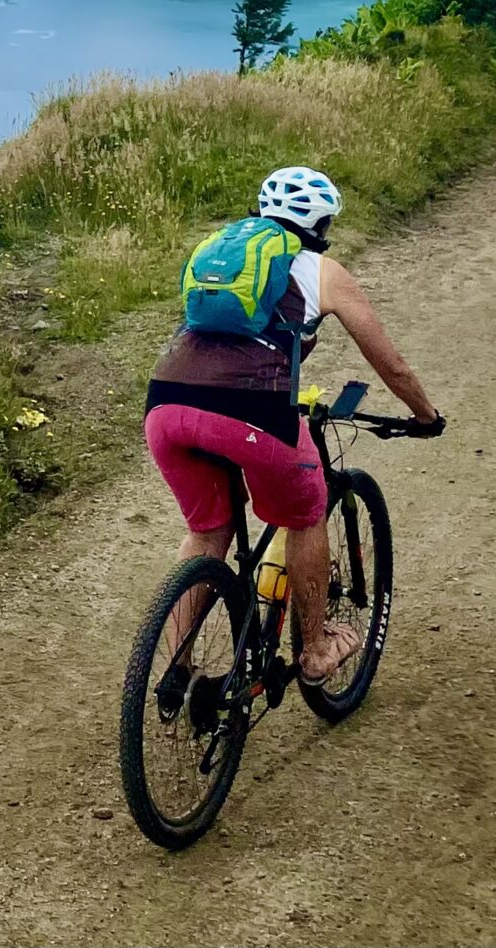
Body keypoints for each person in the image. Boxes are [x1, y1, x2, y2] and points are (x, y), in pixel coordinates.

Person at [146, 167, 444, 690]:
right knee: (306, 511)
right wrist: (425, 415)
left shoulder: (221, 255)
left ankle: (177, 668)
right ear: (322, 224)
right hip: (250, 410)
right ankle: (316, 650)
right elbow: (390, 364)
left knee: (207, 529)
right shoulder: (321, 270)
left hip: (166, 404)